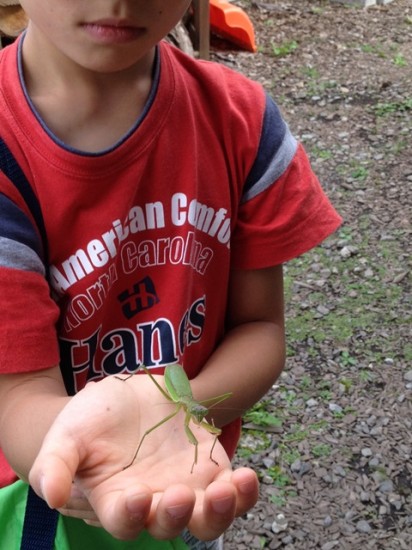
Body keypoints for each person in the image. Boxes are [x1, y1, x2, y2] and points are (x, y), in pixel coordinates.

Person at [0, 1, 342, 548]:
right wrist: (92, 452)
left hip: (188, 472)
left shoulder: (242, 121)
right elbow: (15, 397)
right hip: (39, 492)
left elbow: (261, 327)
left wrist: (184, 410)